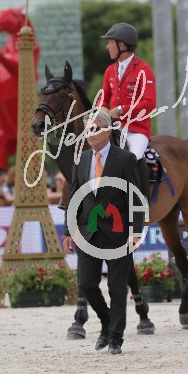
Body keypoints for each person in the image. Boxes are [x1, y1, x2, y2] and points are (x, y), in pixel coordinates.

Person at [63, 110, 143, 355]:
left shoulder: (125, 159)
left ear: (107, 131)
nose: (89, 134)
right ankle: (107, 321)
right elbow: (74, 197)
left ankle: (116, 338)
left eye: (95, 129)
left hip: (118, 233)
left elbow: (135, 197)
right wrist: (68, 231)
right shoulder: (81, 160)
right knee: (86, 284)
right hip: (88, 232)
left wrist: (136, 231)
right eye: (87, 129)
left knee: (117, 288)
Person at [97, 22, 156, 202]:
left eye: (110, 43)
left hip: (137, 129)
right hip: (114, 127)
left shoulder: (144, 70)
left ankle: (140, 203)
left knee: (134, 157)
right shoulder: (110, 71)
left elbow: (149, 103)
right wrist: (102, 108)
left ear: (121, 45)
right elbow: (103, 98)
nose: (107, 47)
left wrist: (122, 110)